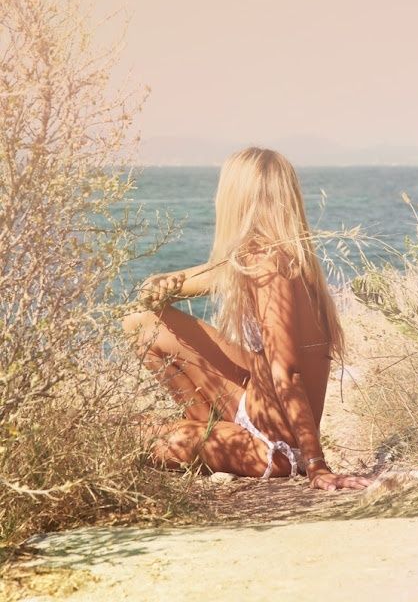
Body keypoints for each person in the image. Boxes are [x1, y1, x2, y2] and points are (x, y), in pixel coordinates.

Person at [123, 147, 372, 491]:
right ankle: (204, 429)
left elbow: (286, 372)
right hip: (253, 408)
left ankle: (204, 435)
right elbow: (203, 278)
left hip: (274, 449)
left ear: (237, 198)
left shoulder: (269, 267)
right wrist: (165, 286)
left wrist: (316, 465)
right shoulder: (273, 257)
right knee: (140, 323)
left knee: (137, 435)